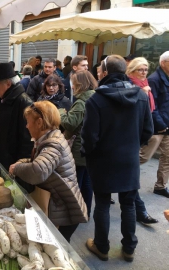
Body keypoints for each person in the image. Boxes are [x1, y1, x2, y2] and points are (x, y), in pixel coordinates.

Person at [81, 55, 153, 262]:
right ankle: (129, 248)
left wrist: (89, 153)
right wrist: (132, 146)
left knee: (103, 203)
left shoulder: (96, 99)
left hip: (102, 160)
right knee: (128, 203)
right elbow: (148, 130)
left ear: (104, 72)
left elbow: (89, 136)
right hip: (129, 160)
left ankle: (101, 246)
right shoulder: (140, 96)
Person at [9, 100, 88, 242]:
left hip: (63, 213)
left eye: (28, 122)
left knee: (58, 249)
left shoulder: (53, 144)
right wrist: (23, 162)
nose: (26, 126)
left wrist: (17, 168)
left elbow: (38, 172)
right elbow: (44, 164)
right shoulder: (50, 138)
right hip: (59, 207)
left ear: (39, 122)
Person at [125, 57, 158, 224]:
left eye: (145, 70)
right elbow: (131, 114)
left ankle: (139, 210)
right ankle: (140, 211)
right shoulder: (131, 87)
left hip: (138, 137)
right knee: (131, 177)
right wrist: (142, 96)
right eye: (140, 70)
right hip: (131, 138)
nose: (144, 72)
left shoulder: (144, 86)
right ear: (132, 71)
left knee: (130, 177)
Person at [60, 70, 97, 219]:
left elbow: (70, 123)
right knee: (87, 183)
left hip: (78, 149)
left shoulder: (82, 102)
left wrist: (61, 113)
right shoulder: (95, 97)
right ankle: (85, 211)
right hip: (90, 148)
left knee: (77, 184)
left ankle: (77, 213)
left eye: (74, 84)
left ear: (81, 84)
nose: (73, 87)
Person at [0, 63, 33, 170]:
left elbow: (27, 140)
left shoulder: (23, 102)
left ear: (8, 84)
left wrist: (20, 166)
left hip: (9, 163)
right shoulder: (5, 97)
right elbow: (5, 124)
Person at [140, 51, 169, 199]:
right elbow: (152, 106)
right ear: (163, 63)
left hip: (167, 126)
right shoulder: (154, 79)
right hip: (158, 127)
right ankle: (113, 176)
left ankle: (160, 186)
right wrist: (162, 125)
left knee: (167, 157)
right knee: (143, 157)